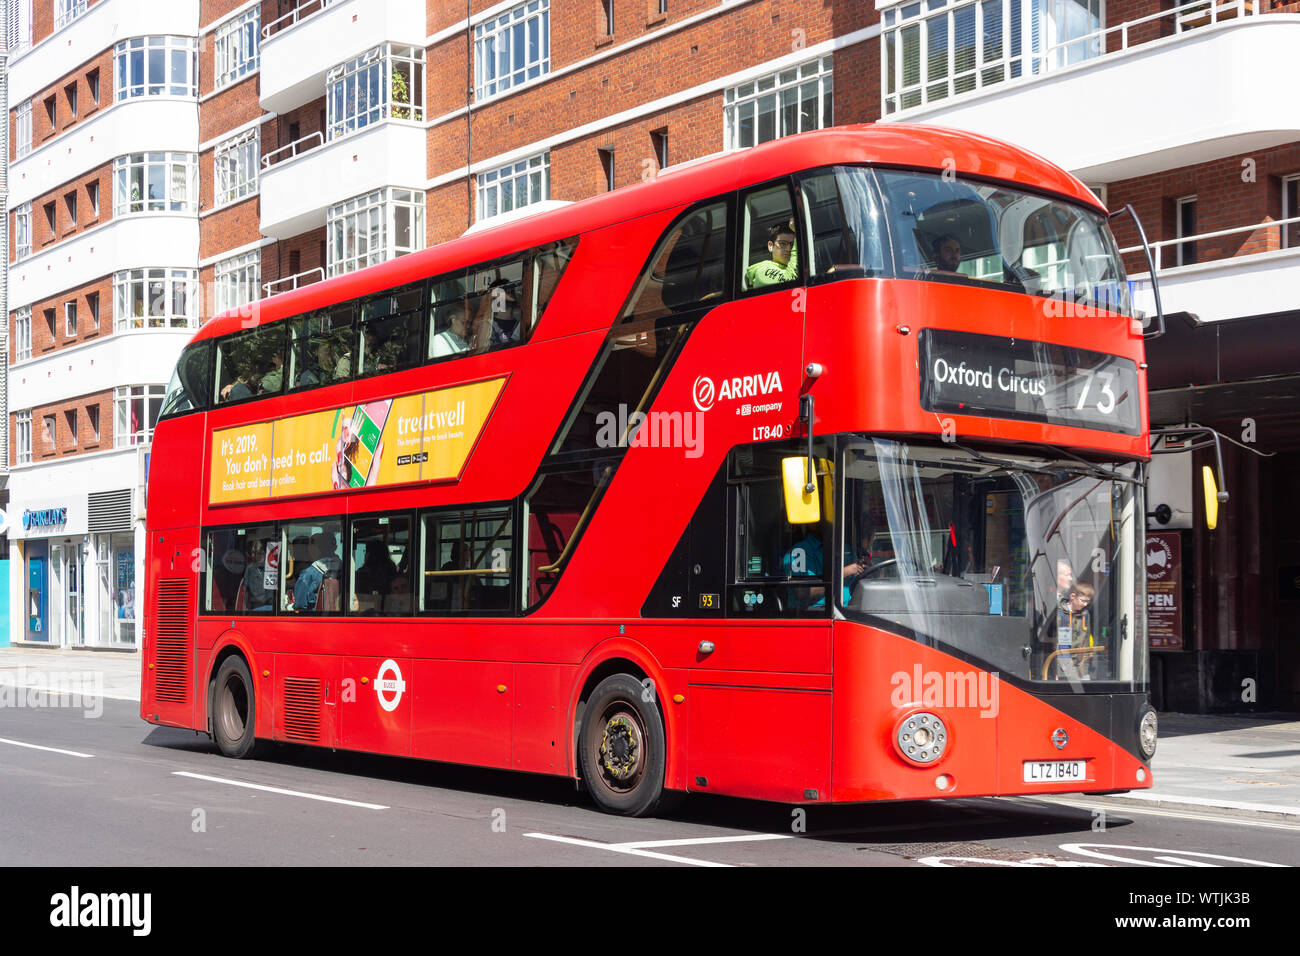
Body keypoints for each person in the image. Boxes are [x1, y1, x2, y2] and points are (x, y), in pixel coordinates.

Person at [1051, 582, 1095, 678]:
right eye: (1083, 601)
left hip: (1079, 662)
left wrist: (1084, 669)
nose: (1085, 604)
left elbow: (1086, 640)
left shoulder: (1085, 614)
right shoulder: (1060, 614)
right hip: (1062, 662)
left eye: (1088, 601)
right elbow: (1056, 642)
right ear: (1072, 596)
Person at [292, 532, 340, 611]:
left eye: (310, 546)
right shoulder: (346, 570)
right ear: (335, 547)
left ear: (315, 548)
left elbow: (300, 606)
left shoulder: (307, 575)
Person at [782, 523, 826, 610]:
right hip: (813, 611)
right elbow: (802, 592)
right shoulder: (799, 551)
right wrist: (842, 574)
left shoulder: (841, 549)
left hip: (844, 608)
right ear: (813, 525)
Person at [745, 221, 799, 289]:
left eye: (793, 244)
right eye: (782, 243)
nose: (789, 249)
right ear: (770, 246)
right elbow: (789, 281)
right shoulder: (762, 271)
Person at [242, 538, 273, 611]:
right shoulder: (250, 568)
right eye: (252, 552)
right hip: (256, 607)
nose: (252, 555)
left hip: (273, 607)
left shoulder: (272, 567)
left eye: (254, 552)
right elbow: (245, 591)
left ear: (263, 552)